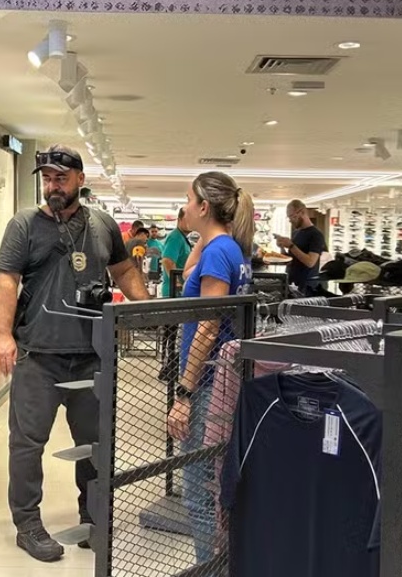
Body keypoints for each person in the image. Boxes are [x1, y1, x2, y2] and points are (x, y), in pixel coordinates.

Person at [0, 145, 150, 562]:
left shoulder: (101, 225)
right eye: (47, 178)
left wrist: (146, 308)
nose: (52, 186)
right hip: (39, 354)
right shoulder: (24, 224)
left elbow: (122, 270)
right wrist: (3, 335)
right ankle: (27, 524)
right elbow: (8, 280)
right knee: (26, 444)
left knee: (94, 443)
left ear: (80, 179)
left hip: (90, 354)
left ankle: (91, 518)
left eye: (60, 178)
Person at [165, 171, 254, 566]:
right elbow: (188, 276)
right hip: (220, 378)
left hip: (205, 382)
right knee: (210, 481)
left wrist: (183, 393)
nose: (182, 207)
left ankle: (209, 569)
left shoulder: (220, 252)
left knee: (198, 487)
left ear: (203, 206)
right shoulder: (227, 248)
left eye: (188, 199)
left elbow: (208, 325)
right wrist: (202, 235)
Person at [274, 199, 326, 294]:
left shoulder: (316, 234)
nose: (290, 220)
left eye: (292, 216)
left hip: (306, 287)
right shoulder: (296, 233)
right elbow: (291, 259)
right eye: (289, 217)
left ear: (302, 212)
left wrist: (291, 245)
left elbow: (310, 262)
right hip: (291, 284)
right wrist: (282, 246)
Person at [160, 208, 193, 298]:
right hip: (173, 292)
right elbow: (167, 260)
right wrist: (177, 284)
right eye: (187, 219)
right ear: (179, 220)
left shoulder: (182, 238)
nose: (190, 222)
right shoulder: (175, 237)